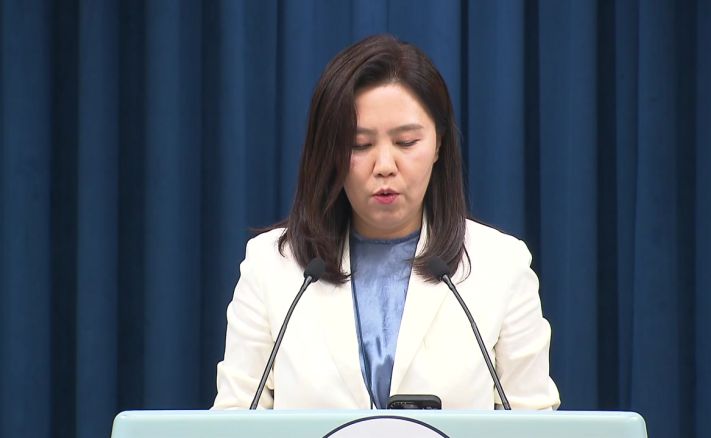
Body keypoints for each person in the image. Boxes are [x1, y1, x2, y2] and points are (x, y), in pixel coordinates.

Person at [212, 34, 560, 410]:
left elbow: (534, 424)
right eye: (359, 145)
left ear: (439, 144)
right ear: (329, 152)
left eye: (406, 142)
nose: (384, 166)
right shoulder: (271, 266)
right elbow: (234, 419)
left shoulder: (502, 265)